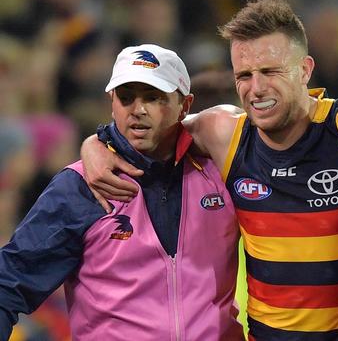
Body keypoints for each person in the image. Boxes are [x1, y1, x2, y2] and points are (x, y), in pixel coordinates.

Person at [81, 0, 338, 340]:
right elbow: (148, 133)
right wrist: (96, 144)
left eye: (270, 71)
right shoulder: (223, 133)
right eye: (244, 74)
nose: (256, 88)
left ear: (305, 70)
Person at [0, 44, 244, 340]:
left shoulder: (223, 169)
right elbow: (10, 282)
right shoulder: (80, 186)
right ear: (111, 102)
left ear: (185, 104)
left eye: (153, 98)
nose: (137, 110)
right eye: (126, 97)